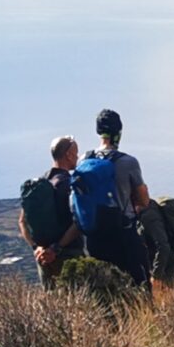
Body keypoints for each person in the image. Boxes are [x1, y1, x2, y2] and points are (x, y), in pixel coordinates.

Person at [71, 118, 151, 286]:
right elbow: (144, 200)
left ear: (98, 132)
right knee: (139, 285)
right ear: (119, 133)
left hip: (94, 236)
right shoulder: (128, 162)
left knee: (102, 287)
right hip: (123, 233)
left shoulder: (84, 160)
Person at [22, 135, 83, 288]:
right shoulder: (70, 183)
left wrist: (37, 248)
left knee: (53, 305)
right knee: (79, 303)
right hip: (68, 256)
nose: (77, 157)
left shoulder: (39, 184)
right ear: (68, 155)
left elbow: (22, 221)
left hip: (42, 259)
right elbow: (78, 221)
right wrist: (56, 248)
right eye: (75, 153)